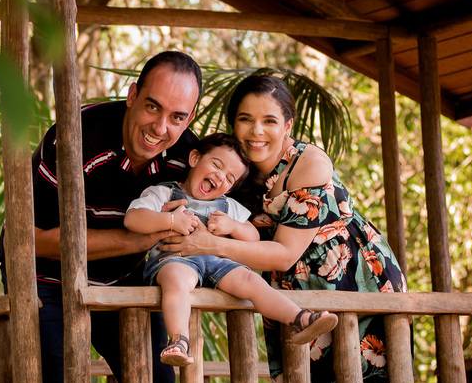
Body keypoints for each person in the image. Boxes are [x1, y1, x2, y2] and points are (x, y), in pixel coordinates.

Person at [161, 73, 408, 383]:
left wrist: (208, 246)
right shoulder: (234, 170)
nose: (257, 131)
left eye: (269, 120)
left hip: (356, 294)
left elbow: (282, 252)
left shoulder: (308, 162)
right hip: (297, 301)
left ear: (288, 124)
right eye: (245, 119)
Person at [0, 50, 203, 383]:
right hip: (43, 280)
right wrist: (140, 238)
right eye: (152, 106)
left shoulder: (188, 159)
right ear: (131, 96)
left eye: (177, 117)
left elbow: (232, 208)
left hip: (122, 288)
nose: (161, 127)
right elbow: (25, 240)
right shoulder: (76, 135)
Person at [124, 132, 337, 365]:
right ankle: (179, 340)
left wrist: (233, 226)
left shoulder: (228, 206)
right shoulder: (163, 192)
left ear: (229, 188)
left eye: (229, 177)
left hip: (219, 263)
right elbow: (133, 219)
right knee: (176, 281)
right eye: (216, 164)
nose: (220, 176)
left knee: (252, 281)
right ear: (194, 158)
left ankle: (299, 318)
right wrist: (171, 221)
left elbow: (253, 237)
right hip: (175, 259)